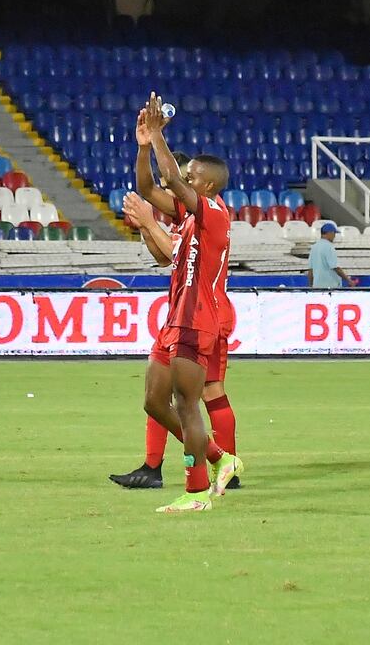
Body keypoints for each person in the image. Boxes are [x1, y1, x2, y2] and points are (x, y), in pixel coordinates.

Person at [129, 94, 242, 513]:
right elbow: (147, 188)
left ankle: (196, 493)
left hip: (199, 318)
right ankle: (219, 457)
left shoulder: (213, 212)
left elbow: (170, 182)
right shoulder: (191, 215)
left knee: (188, 404)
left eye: (192, 176)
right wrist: (143, 145)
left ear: (207, 185)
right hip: (176, 316)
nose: (184, 179)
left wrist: (157, 137)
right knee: (154, 402)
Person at [110, 191, 241, 490]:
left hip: (206, 316)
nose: (168, 201)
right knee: (163, 393)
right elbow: (162, 258)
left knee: (208, 392)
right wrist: (146, 226)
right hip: (184, 315)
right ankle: (158, 466)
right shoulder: (185, 219)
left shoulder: (207, 213)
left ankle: (224, 466)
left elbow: (175, 254)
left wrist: (149, 220)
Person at [308, 223, 357, 288]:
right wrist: (349, 280)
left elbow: (311, 271)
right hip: (330, 287)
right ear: (329, 233)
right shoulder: (329, 247)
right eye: (334, 233)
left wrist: (311, 286)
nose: (334, 236)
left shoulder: (314, 247)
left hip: (317, 287)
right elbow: (336, 268)